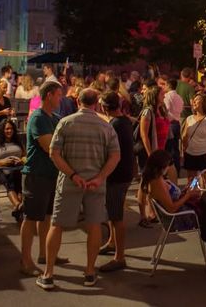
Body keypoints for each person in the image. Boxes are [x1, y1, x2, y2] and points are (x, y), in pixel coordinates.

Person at [37, 88, 121, 290]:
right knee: (93, 226)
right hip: (95, 183)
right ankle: (90, 272)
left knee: (56, 225)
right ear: (96, 104)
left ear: (78, 101)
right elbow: (115, 156)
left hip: (69, 182)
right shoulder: (106, 126)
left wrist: (73, 174)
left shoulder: (65, 123)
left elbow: (54, 153)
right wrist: (100, 177)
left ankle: (48, 274)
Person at [20, 81, 66, 277]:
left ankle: (44, 254)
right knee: (31, 217)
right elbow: (50, 147)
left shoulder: (54, 118)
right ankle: (25, 260)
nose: (60, 99)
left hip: (51, 175)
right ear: (49, 96)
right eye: (58, 95)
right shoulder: (38, 118)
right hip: (36, 174)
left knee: (47, 216)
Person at [97, 91, 133, 272]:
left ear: (104, 107)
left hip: (117, 175)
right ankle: (112, 242)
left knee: (117, 215)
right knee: (113, 212)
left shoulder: (114, 125)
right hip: (125, 173)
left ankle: (120, 257)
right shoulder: (124, 121)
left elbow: (109, 151)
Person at [0, 118, 25, 221]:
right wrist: (4, 161)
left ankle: (17, 208)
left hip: (18, 167)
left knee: (20, 177)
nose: (9, 131)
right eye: (6, 129)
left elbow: (25, 156)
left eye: (11, 129)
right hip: (2, 169)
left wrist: (21, 160)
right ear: (2, 130)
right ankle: (19, 205)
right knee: (11, 179)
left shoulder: (18, 141)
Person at [181, 93, 206, 181]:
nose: (194, 102)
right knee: (192, 181)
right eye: (193, 101)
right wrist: (184, 150)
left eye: (197, 100)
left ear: (204, 103)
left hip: (204, 154)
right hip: (190, 153)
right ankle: (193, 194)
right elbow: (185, 136)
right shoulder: (189, 118)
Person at [163, 78, 184, 171]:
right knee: (176, 148)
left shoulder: (167, 96)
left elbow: (166, 109)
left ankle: (170, 170)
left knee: (168, 148)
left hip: (170, 123)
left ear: (168, 85)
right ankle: (177, 168)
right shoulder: (179, 97)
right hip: (177, 122)